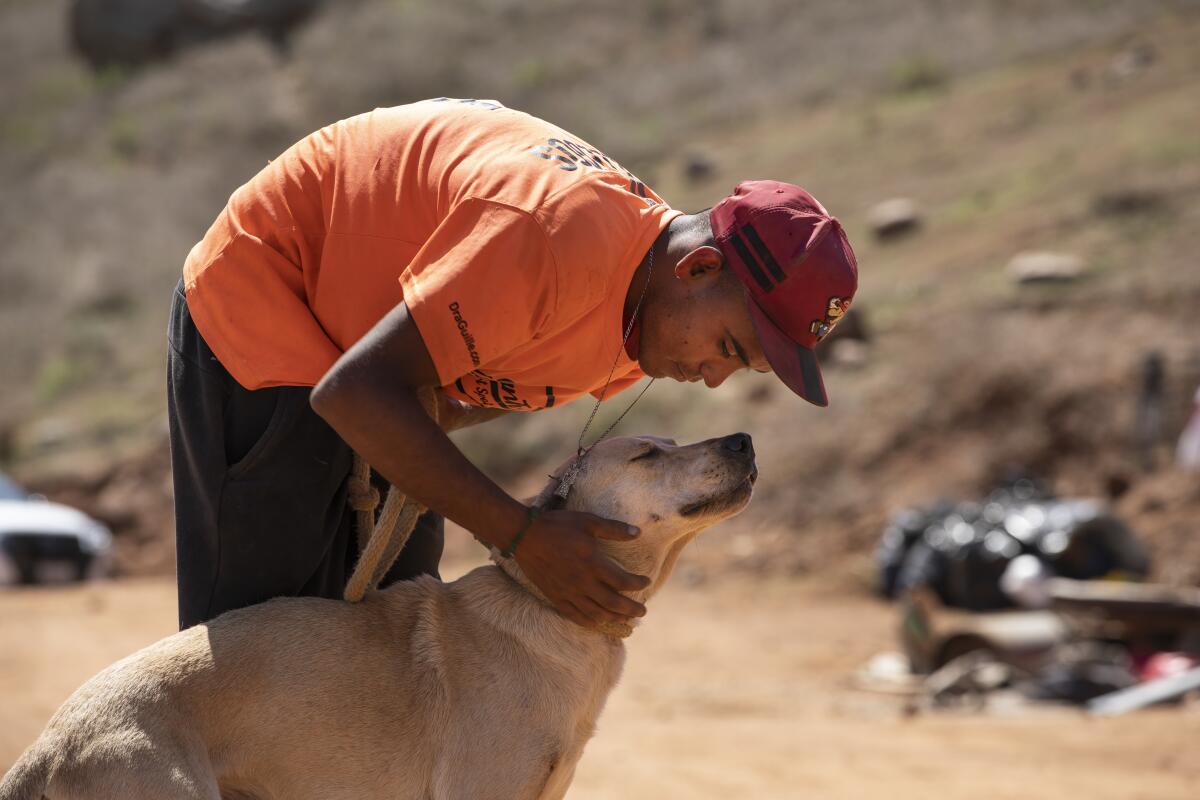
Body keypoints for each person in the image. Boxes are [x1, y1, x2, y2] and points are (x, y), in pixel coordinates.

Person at [168, 97, 858, 632]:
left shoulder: (641, 325)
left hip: (377, 361)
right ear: (699, 266)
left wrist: (434, 450)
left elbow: (437, 396)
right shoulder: (554, 239)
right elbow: (352, 392)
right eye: (731, 348)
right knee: (265, 663)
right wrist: (518, 533)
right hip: (272, 291)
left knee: (390, 647)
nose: (713, 378)